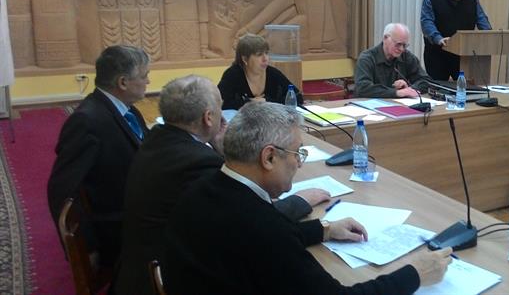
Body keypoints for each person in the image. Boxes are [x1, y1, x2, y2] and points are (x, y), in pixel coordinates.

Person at [162, 101, 452, 294]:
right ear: (269, 157)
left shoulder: (202, 190)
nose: (299, 164)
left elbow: (259, 239)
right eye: (297, 153)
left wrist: (324, 230)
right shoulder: (261, 228)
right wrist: (415, 273)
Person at [114, 76, 327, 295]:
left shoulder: (158, 139)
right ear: (209, 117)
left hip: (149, 266)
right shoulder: (198, 163)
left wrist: (224, 150)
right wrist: (304, 207)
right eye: (220, 107)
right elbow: (253, 224)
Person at [47, 45, 150, 268]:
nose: (148, 82)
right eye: (144, 76)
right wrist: (86, 247)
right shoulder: (87, 121)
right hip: (118, 228)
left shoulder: (128, 109)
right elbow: (62, 189)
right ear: (123, 82)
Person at [421, 0, 492, 81]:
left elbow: (481, 17)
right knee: (438, 87)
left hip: (463, 55)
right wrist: (438, 38)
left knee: (465, 87)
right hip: (437, 53)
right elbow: (427, 22)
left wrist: (489, 34)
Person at [218, 33, 304, 110]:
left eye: (266, 53)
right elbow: (219, 103)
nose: (265, 59)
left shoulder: (272, 73)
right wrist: (250, 103)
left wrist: (267, 101)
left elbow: (298, 97)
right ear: (245, 59)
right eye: (259, 54)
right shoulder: (232, 75)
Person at [354, 23, 430, 98]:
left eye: (404, 45)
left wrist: (410, 88)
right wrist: (396, 92)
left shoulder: (406, 56)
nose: (401, 49)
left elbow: (425, 81)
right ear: (385, 38)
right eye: (398, 44)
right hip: (370, 104)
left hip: (399, 104)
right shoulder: (367, 58)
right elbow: (362, 88)